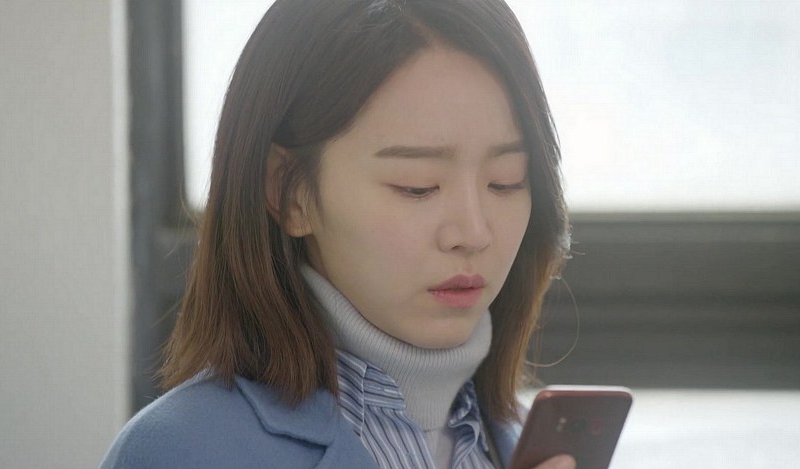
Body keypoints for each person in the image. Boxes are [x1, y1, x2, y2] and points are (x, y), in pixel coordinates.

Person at [101, 0, 572, 467]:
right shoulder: (180, 451)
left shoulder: (530, 446)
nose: (473, 232)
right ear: (289, 193)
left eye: (506, 181)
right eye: (418, 186)